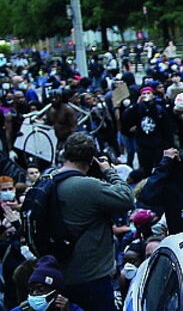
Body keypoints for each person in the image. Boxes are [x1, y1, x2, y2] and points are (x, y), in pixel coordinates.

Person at [54, 133, 134, 311]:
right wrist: (108, 171)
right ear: (91, 159)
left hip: (59, 269)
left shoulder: (48, 179)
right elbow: (127, 197)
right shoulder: (86, 186)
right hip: (91, 276)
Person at [10, 255, 83, 311]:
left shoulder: (72, 309)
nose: (35, 293)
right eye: (31, 290)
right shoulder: (23, 309)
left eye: (41, 289)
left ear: (56, 292)